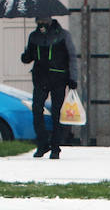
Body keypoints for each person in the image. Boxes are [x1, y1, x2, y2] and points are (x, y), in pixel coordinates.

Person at [21, 16, 78, 159]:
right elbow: (29, 58)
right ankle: (42, 143)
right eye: (38, 21)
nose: (40, 23)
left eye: (43, 21)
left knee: (56, 113)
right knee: (37, 110)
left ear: (50, 20)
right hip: (40, 78)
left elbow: (71, 57)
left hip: (59, 78)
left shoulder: (63, 35)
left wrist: (73, 78)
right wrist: (26, 55)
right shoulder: (34, 36)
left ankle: (55, 147)